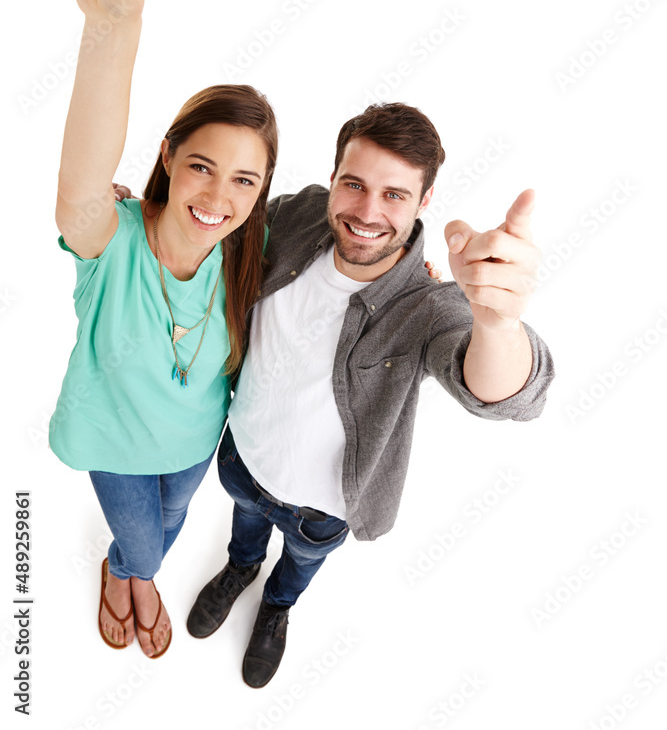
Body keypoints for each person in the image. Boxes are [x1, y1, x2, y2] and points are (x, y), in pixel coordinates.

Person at [186, 103, 555, 687]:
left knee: (300, 567)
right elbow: (218, 234)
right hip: (242, 457)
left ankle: (278, 606)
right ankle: (240, 568)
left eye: (395, 195)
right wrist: (134, 213)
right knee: (245, 526)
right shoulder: (299, 214)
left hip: (321, 509)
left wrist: (498, 324)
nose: (367, 211)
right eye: (354, 184)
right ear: (332, 180)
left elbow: (509, 397)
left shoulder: (431, 304)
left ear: (424, 201)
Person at [46, 0, 277, 659]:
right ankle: (124, 571)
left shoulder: (251, 252)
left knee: (175, 518)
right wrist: (115, 27)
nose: (218, 194)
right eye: (203, 166)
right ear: (171, 157)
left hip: (192, 445)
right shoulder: (112, 239)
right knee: (145, 546)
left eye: (244, 179)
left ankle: (133, 562)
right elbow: (75, 189)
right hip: (112, 438)